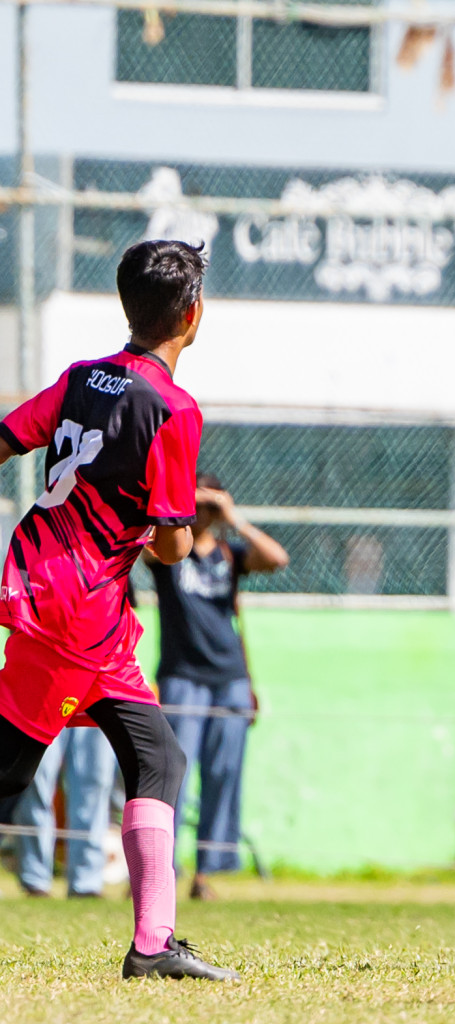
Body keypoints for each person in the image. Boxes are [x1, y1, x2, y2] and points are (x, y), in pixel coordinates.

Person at [0, 240, 237, 980]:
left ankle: (154, 945)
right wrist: (186, 525)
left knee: (155, 757)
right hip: (78, 612)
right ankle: (151, 946)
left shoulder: (80, 379)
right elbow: (171, 548)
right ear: (193, 316)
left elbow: (8, 438)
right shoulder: (173, 407)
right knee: (10, 770)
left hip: (61, 594)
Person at [144, 472, 289, 901]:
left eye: (210, 507)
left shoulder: (229, 552)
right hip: (182, 677)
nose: (204, 514)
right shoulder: (168, 551)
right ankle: (161, 870)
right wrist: (187, 504)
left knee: (224, 775)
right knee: (175, 775)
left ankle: (206, 872)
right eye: (198, 505)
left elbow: (277, 558)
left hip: (229, 679)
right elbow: (146, 539)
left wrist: (234, 518)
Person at [14, 728, 115, 898]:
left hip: (93, 705)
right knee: (35, 776)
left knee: (96, 780)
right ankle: (34, 880)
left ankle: (86, 883)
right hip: (43, 703)